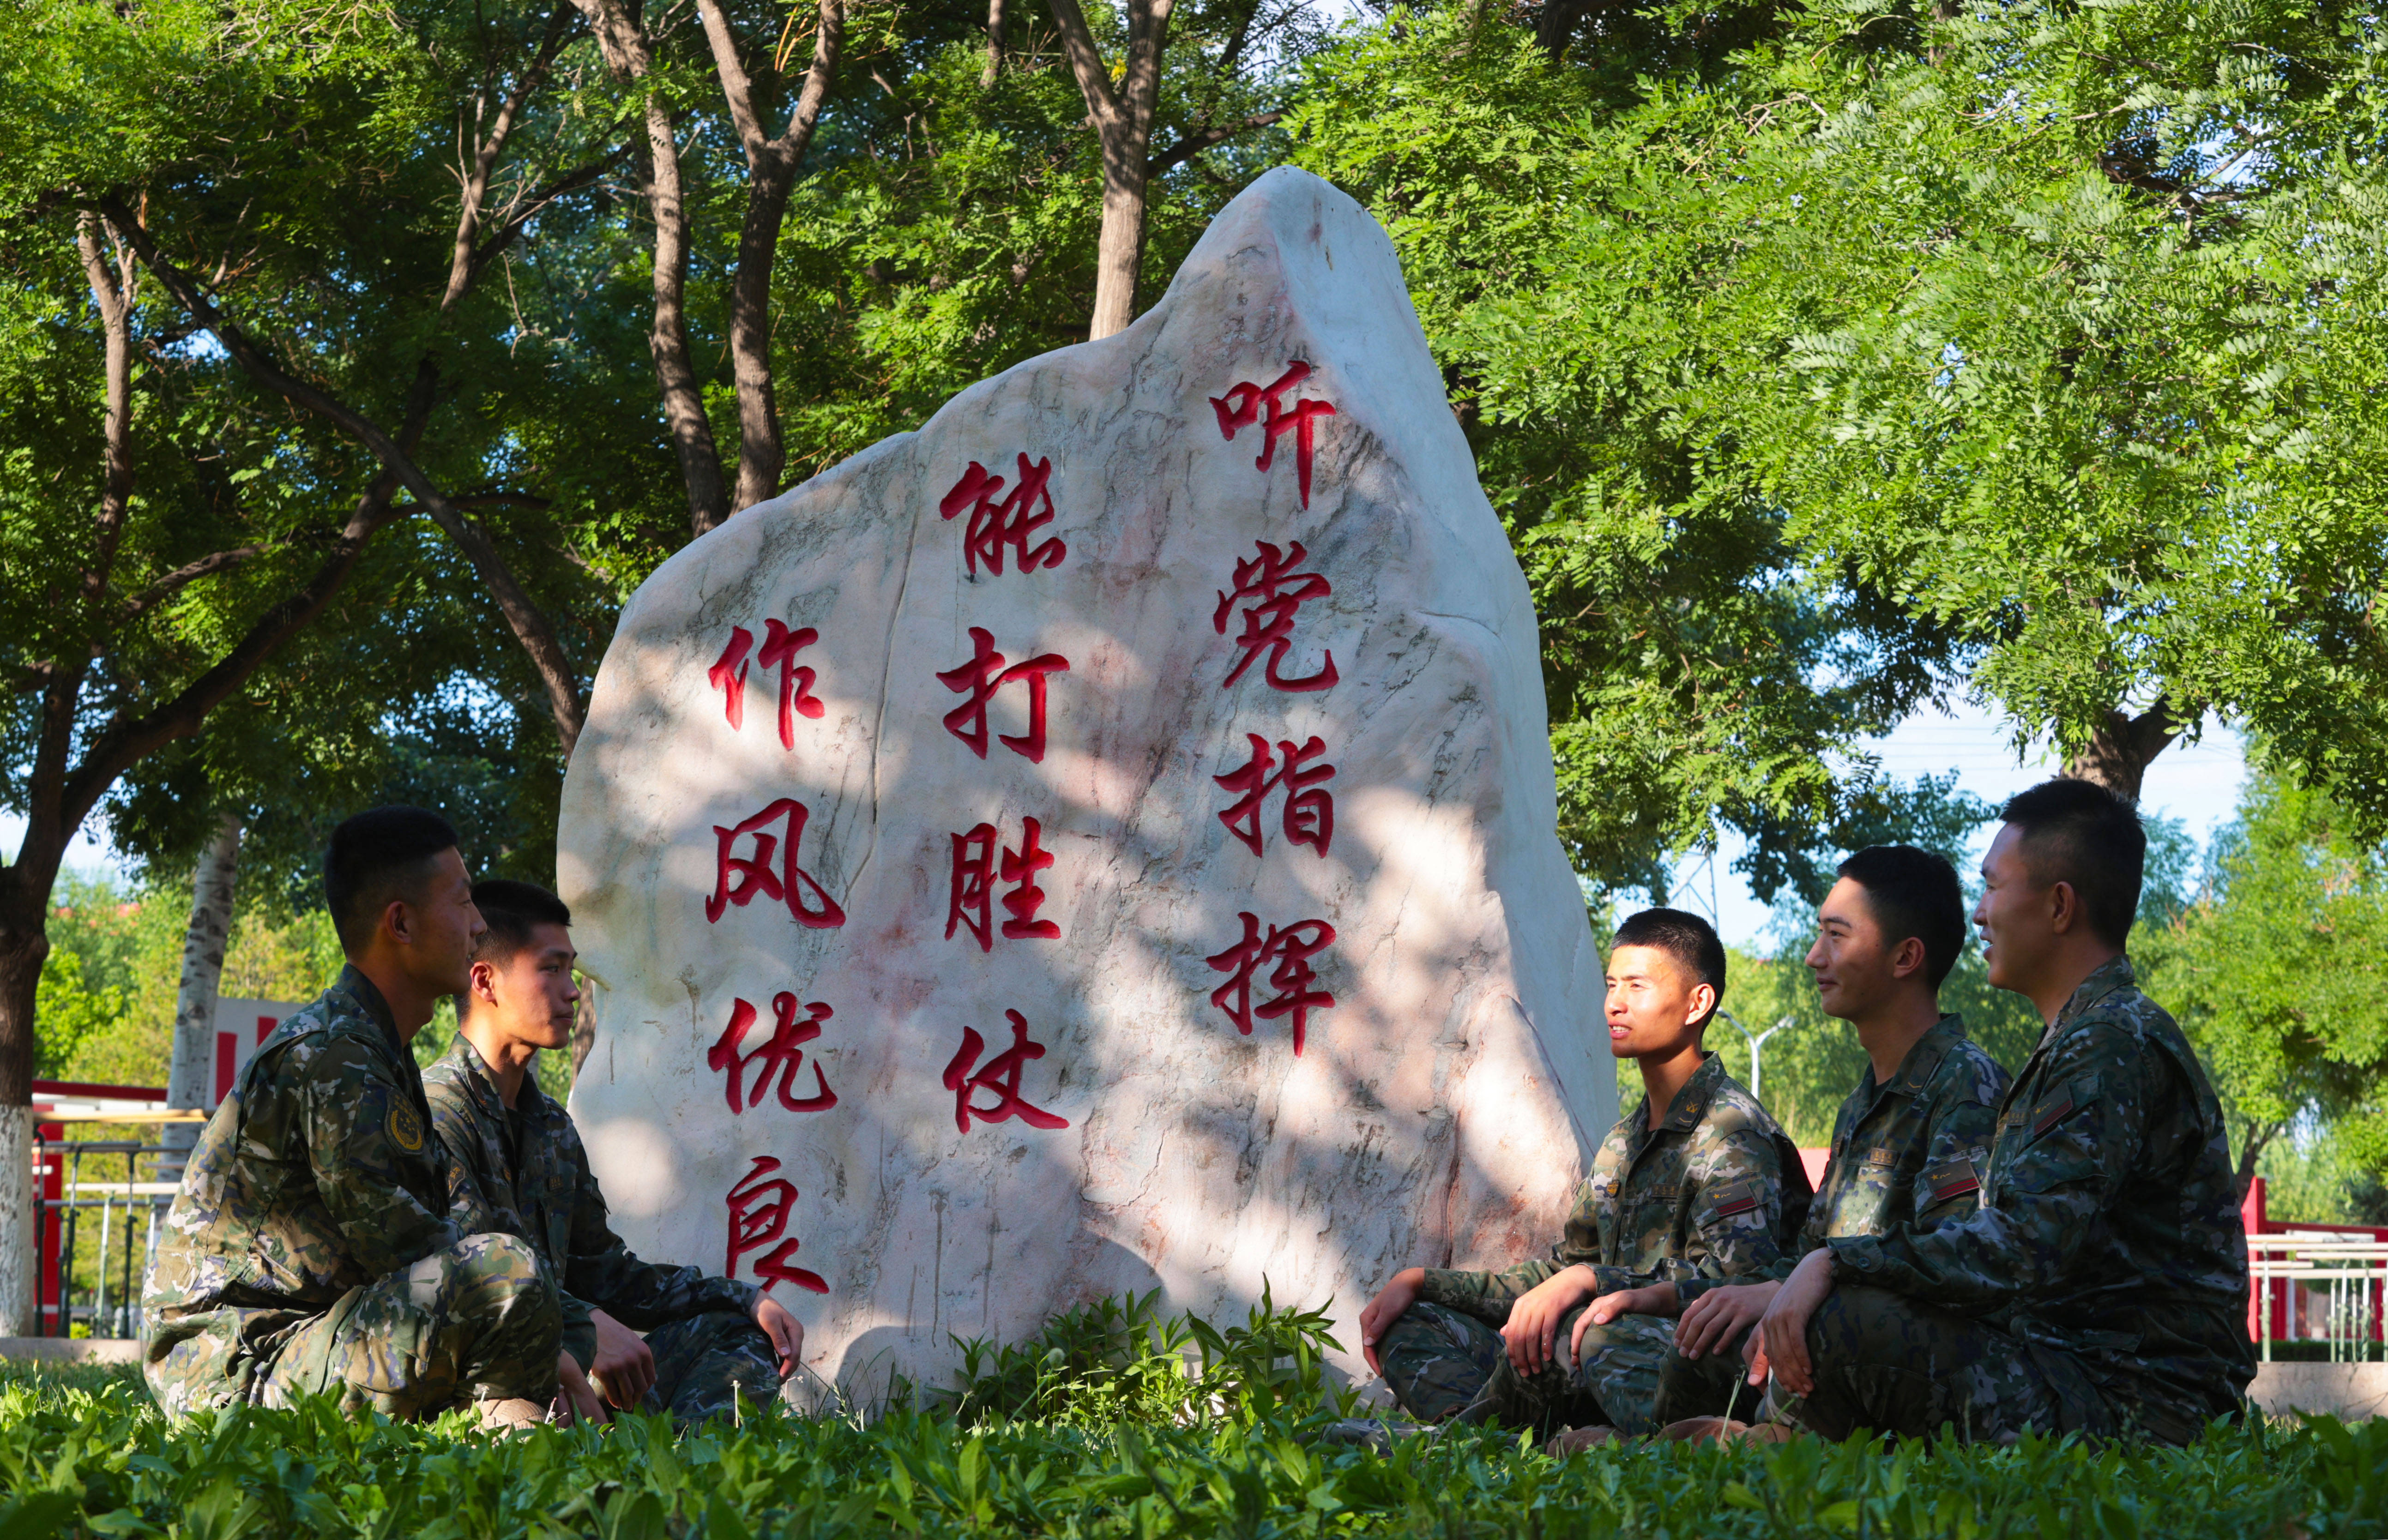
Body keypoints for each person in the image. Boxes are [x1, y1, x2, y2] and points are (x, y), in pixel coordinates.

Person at [1746, 779, 2255, 1443]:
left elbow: (2020, 1247)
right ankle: (1778, 1444)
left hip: (2140, 1404)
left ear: (2059, 906)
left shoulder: (2112, 1041)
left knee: (1843, 1319)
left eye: (1991, 887)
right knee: (1785, 1321)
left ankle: (1775, 1449)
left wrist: (1838, 1263)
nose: (1980, 914)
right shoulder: (2079, 1038)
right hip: (2066, 1367)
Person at [144, 808, 563, 1426]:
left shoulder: (379, 1052)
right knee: (504, 1274)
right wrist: (563, 1340)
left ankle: (509, 1427)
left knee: (509, 1267)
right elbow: (408, 1247)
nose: (479, 926)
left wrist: (573, 1322)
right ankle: (511, 1435)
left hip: (307, 1338)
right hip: (235, 1371)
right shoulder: (336, 1055)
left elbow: (461, 1220)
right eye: (465, 901)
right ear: (401, 923)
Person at [1591, 846, 2010, 1429]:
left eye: (1837, 936)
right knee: (1687, 1338)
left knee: (1803, 1329)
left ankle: (1701, 1447)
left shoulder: (1966, 1084)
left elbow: (1956, 1257)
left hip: (1900, 1358)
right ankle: (1679, 1448)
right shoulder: (1863, 1103)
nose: (1815, 957)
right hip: (1828, 1335)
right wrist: (1697, 1295)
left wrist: (1823, 1274)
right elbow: (1802, 1255)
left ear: (1906, 957)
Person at [1357, 908, 1811, 1436]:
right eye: (1611, 985)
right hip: (1598, 1349)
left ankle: (1469, 1445)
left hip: (1683, 1358)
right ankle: (1485, 1440)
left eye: (1637, 986)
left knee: (1585, 1325)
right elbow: (1566, 1270)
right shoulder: (1625, 1138)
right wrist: (1426, 1282)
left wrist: (1595, 1281)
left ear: (1698, 1003)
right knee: (1412, 1319)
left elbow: (1740, 1286)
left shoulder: (1733, 1131)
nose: (1615, 1003)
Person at [422, 879, 803, 1426]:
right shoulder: (437, 1114)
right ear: (485, 981)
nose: (572, 991)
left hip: (570, 1367)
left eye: (571, 970)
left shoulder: (550, 1126)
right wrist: (581, 1326)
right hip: (488, 1378)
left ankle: (685, 1475)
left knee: (738, 1331)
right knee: (528, 1411)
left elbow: (608, 1275)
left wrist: (744, 1298)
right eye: (551, 969)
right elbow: (471, 1287)